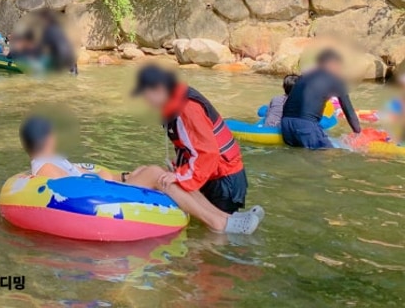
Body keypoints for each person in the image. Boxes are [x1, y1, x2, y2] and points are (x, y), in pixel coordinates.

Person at [129, 64, 264, 234]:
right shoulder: (176, 103)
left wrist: (179, 176)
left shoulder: (186, 108)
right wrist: (177, 171)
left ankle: (221, 223)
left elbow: (207, 153)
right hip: (219, 175)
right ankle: (227, 219)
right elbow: (191, 147)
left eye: (146, 96)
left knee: (216, 238)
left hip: (224, 180)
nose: (146, 101)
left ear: (159, 89)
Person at [281, 48, 361, 149]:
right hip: (306, 126)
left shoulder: (304, 76)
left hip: (286, 125)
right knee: (327, 157)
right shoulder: (336, 79)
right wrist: (358, 133)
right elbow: (348, 110)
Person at [19, 115, 117, 180]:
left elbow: (87, 175)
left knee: (129, 176)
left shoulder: (55, 160)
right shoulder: (46, 167)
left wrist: (107, 176)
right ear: (48, 138)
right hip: (99, 194)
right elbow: (73, 190)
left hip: (99, 185)